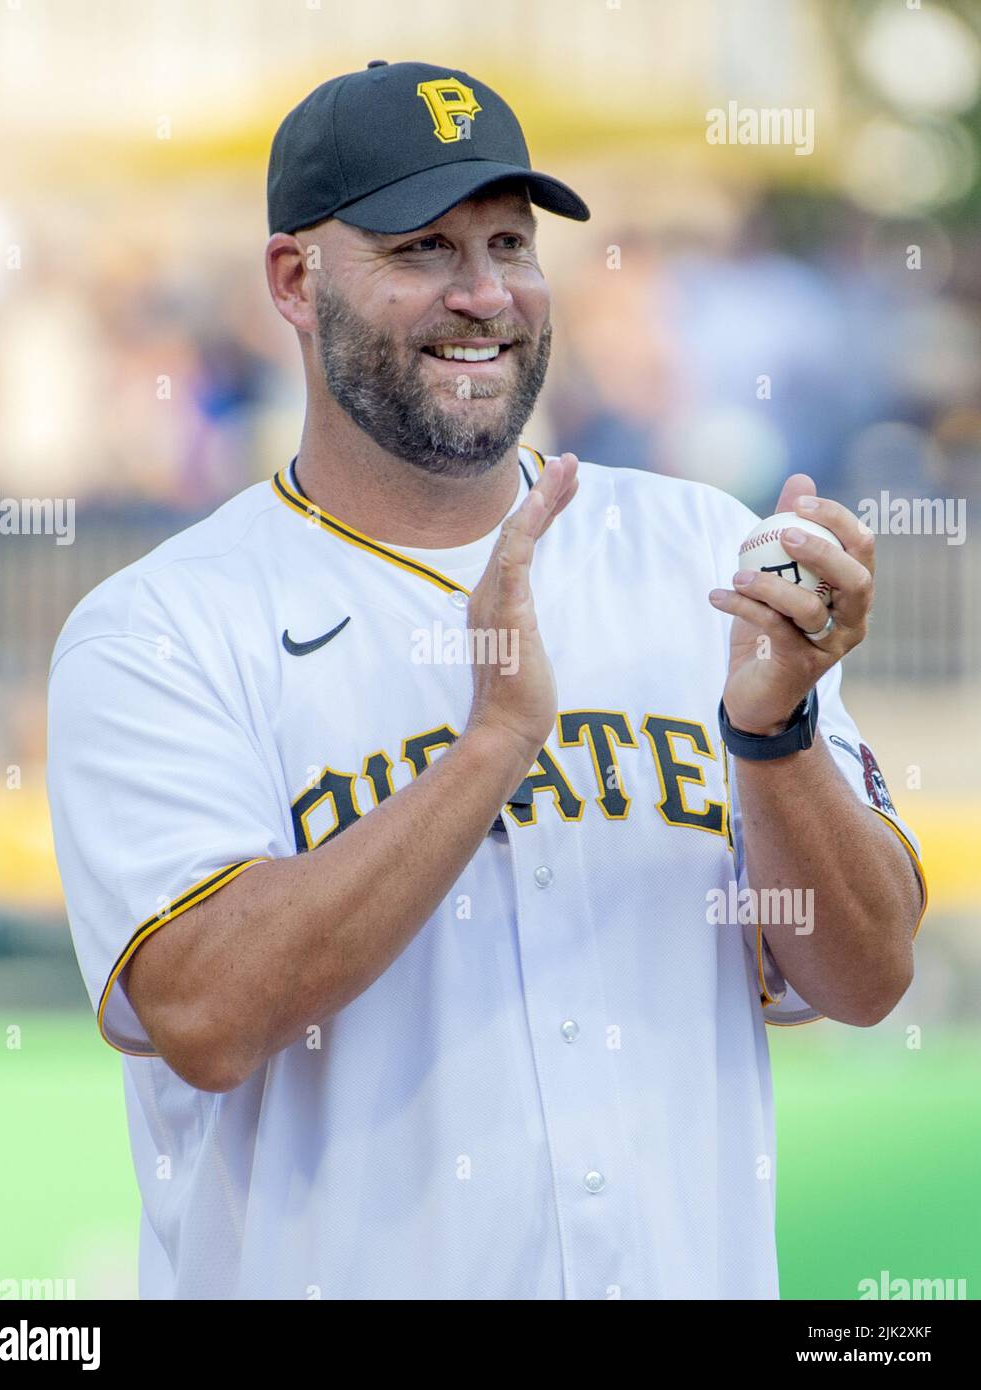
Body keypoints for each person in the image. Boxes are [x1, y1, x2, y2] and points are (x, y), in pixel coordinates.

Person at [46, 61, 926, 1300]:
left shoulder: (696, 553)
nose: (484, 294)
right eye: (422, 247)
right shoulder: (161, 628)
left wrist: (772, 737)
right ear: (295, 282)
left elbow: (868, 976)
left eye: (510, 242)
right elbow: (204, 1013)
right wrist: (489, 749)